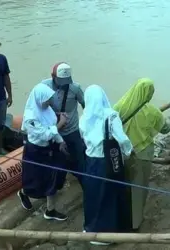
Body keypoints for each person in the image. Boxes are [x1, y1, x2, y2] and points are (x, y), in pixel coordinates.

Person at [113, 78, 170, 231]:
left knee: (124, 186)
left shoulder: (119, 106)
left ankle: (122, 219)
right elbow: (165, 129)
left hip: (123, 153)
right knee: (138, 189)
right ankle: (135, 223)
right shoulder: (152, 112)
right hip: (142, 154)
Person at [79, 85, 133, 245]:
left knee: (92, 195)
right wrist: (129, 152)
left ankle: (90, 228)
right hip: (107, 162)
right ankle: (107, 233)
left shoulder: (84, 117)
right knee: (109, 194)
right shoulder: (111, 116)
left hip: (90, 161)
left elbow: (83, 137)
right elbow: (122, 139)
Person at [17, 83, 68, 221]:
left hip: (50, 148)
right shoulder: (30, 117)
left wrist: (60, 141)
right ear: (39, 99)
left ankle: (50, 210)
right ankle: (23, 193)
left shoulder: (47, 110)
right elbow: (45, 134)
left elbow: (51, 128)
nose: (49, 102)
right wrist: (61, 123)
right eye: (46, 100)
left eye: (49, 99)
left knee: (53, 177)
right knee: (35, 180)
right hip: (35, 151)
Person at [42, 62, 85, 188]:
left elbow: (85, 105)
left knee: (80, 163)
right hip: (55, 132)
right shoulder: (44, 87)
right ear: (53, 76)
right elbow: (39, 108)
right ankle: (56, 187)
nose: (64, 85)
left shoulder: (75, 88)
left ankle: (87, 189)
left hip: (73, 131)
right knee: (58, 166)